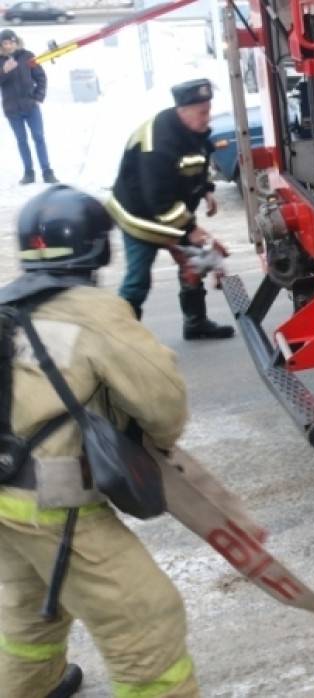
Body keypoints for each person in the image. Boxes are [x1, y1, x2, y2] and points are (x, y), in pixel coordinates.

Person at [0, 186, 199, 697]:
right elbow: (161, 399)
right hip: (54, 502)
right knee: (145, 619)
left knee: (32, 608)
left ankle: (31, 686)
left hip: (5, 503)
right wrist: (158, 441)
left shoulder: (6, 306)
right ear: (99, 249)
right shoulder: (92, 312)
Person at [105, 78, 233, 339]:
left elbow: (197, 161)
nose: (207, 119)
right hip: (140, 218)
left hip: (172, 214)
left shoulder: (192, 130)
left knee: (195, 262)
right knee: (138, 279)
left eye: (208, 111)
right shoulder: (158, 141)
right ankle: (121, 340)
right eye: (203, 113)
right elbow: (159, 199)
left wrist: (206, 189)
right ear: (182, 111)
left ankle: (195, 323)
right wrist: (191, 230)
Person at [0, 28, 57, 185]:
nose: (9, 45)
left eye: (11, 42)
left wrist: (38, 97)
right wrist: (4, 71)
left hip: (31, 107)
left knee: (39, 138)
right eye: (5, 43)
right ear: (1, 45)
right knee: (22, 141)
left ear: (16, 41)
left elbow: (41, 77)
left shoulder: (27, 56)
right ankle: (29, 173)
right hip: (12, 110)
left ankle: (47, 172)